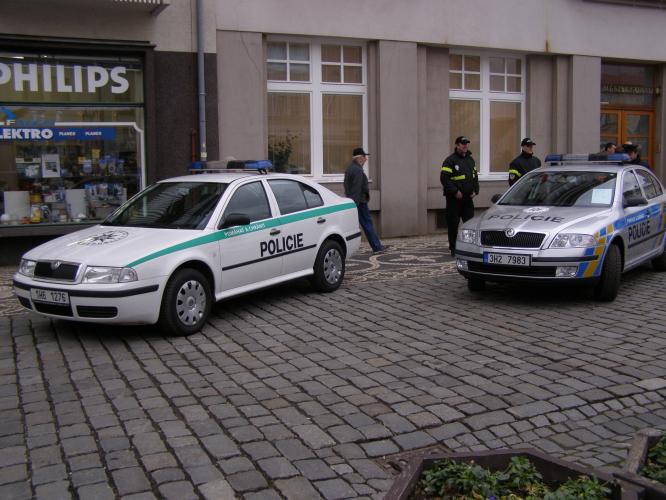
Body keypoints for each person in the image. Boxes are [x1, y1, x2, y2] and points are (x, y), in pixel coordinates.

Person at [344, 147, 388, 253]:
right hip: (359, 202)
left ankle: (376, 246)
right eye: (364, 157)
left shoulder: (350, 169)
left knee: (355, 225)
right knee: (368, 224)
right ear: (359, 158)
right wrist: (354, 205)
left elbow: (347, 186)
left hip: (354, 201)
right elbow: (356, 188)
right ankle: (377, 247)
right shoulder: (357, 170)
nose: (366, 159)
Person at [441, 136, 479, 256]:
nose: (465, 146)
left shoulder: (470, 160)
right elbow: (444, 179)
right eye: (463, 144)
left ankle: (469, 248)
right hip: (454, 199)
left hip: (468, 199)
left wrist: (476, 190)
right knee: (453, 224)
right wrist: (455, 191)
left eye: (466, 143)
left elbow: (475, 177)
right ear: (457, 145)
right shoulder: (450, 161)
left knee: (470, 225)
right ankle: (453, 248)